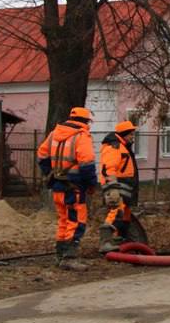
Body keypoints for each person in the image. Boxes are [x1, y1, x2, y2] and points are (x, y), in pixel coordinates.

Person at [37, 106, 99, 270]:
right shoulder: (81, 136)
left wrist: (49, 173)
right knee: (76, 222)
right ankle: (69, 258)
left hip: (58, 186)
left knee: (63, 221)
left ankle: (60, 255)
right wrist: (92, 184)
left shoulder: (54, 134)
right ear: (85, 121)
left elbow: (42, 155)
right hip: (74, 188)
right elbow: (87, 164)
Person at [98, 120, 144, 253]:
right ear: (124, 134)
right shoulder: (115, 147)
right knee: (115, 212)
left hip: (124, 188)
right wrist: (112, 189)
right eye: (130, 134)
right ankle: (106, 241)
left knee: (124, 215)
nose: (132, 137)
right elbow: (109, 169)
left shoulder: (123, 147)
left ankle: (120, 240)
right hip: (117, 188)